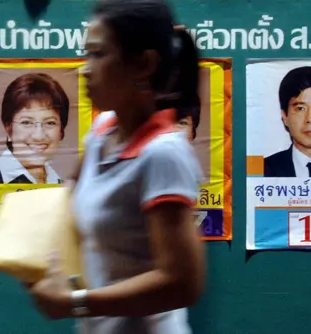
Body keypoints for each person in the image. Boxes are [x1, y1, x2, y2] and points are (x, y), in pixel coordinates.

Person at [24, 1, 206, 333]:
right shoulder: (101, 131)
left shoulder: (163, 154)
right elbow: (69, 197)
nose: (85, 69)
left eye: (97, 54)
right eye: (86, 54)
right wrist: (35, 258)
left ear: (143, 64)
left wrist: (76, 301)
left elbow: (182, 283)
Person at [0, 73, 70, 184]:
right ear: (8, 129)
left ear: (61, 131)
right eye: (26, 122)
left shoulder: (65, 188)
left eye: (50, 123)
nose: (39, 136)